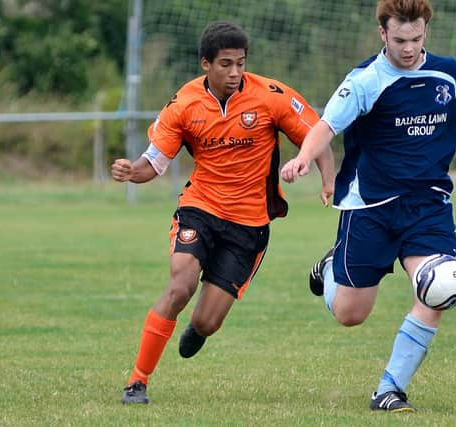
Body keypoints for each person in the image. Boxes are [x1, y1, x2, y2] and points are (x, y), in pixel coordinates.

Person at [281, 0, 456, 413]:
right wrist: (304, 158)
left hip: (428, 205)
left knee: (442, 286)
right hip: (371, 207)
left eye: (415, 38)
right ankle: (329, 270)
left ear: (425, 30)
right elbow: (326, 126)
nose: (408, 48)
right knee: (350, 314)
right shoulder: (365, 80)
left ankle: (389, 390)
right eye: (399, 40)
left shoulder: (444, 71)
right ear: (383, 34)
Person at [112, 21, 335, 404]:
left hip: (248, 226)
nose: (235, 73)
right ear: (205, 64)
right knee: (179, 287)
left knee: (206, 321)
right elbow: (155, 161)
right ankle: (137, 381)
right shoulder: (183, 104)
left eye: (241, 63)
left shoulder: (271, 96)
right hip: (200, 209)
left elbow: (318, 135)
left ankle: (197, 330)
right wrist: (133, 172)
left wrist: (327, 180)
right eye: (226, 64)